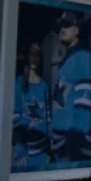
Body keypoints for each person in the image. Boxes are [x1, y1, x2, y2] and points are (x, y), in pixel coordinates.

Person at [51, 11, 91, 163]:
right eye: (60, 26)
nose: (62, 29)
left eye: (67, 25)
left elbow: (85, 96)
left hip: (72, 141)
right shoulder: (71, 56)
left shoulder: (83, 55)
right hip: (61, 139)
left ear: (77, 30)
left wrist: (77, 136)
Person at [11, 43, 53, 171]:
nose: (34, 58)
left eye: (38, 55)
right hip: (24, 151)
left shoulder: (44, 85)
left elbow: (48, 117)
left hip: (42, 151)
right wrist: (19, 146)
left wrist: (50, 149)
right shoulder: (18, 83)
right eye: (31, 54)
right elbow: (14, 118)